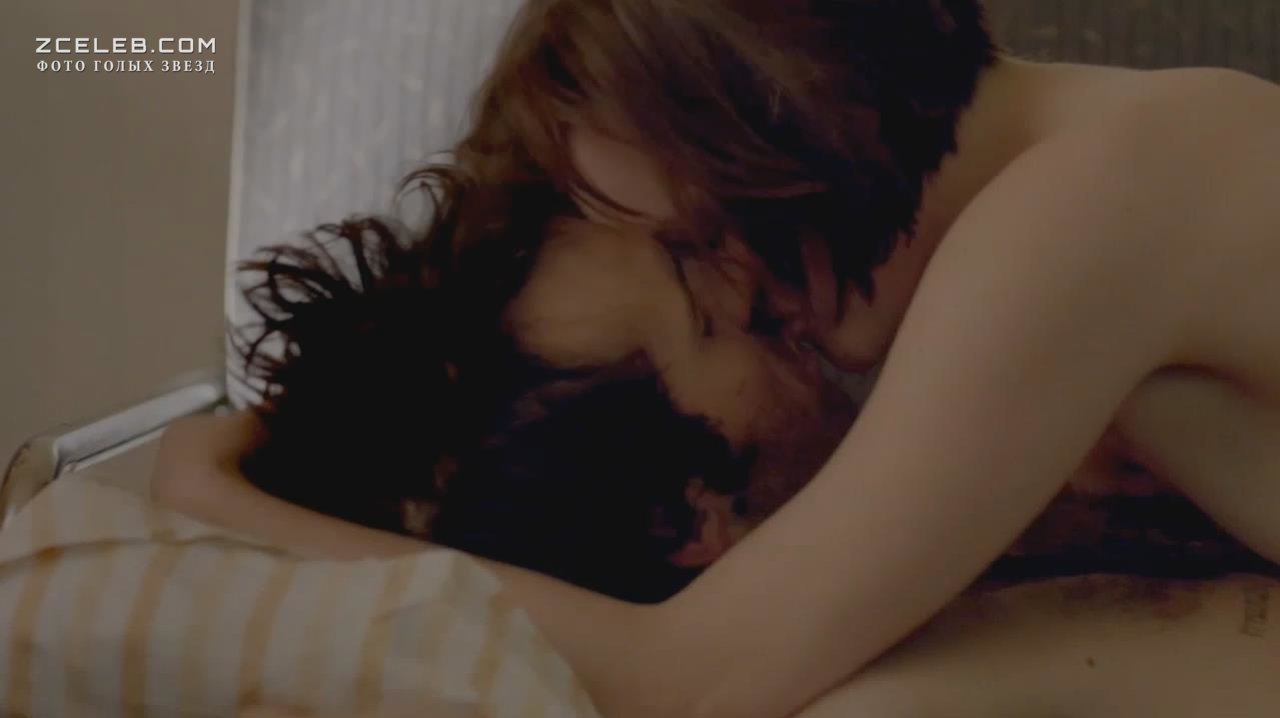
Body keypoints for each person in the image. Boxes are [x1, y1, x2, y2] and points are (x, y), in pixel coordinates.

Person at [158, 0, 1280, 716]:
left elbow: (692, 682)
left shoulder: (1069, 224)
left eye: (701, 245)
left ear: (767, 129)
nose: (743, 293)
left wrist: (215, 501)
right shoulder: (1094, 170)